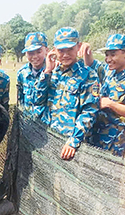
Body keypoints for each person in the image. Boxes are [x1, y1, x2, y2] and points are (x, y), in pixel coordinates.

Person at [32, 27, 100, 161]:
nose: (65, 54)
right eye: (61, 50)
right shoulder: (52, 71)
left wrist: (73, 141)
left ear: (78, 47)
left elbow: (89, 111)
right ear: (54, 50)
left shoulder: (88, 75)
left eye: (70, 49)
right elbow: (37, 100)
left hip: (70, 145)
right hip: (47, 138)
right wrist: (47, 72)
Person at [85, 34, 125, 158]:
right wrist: (86, 50)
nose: (108, 59)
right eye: (107, 55)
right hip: (95, 136)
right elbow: (92, 64)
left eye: (113, 54)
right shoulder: (110, 72)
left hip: (113, 144)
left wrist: (110, 103)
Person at [16, 31, 48, 121]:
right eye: (30, 53)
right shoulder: (22, 73)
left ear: (46, 50)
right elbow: (20, 101)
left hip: (46, 126)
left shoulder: (53, 71)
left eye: (38, 52)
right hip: (27, 124)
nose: (35, 56)